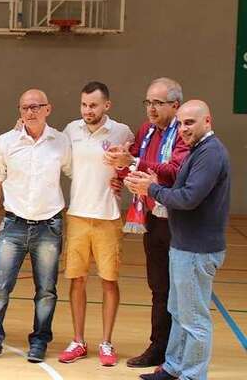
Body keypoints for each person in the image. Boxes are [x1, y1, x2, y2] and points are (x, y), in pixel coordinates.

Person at [124, 100, 229, 380]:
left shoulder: (211, 153)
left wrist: (152, 188)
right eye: (181, 123)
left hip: (197, 249)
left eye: (190, 122)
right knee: (178, 311)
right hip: (183, 245)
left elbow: (188, 198)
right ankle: (172, 368)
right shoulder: (196, 151)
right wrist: (150, 181)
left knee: (194, 318)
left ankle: (192, 375)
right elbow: (178, 186)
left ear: (208, 121)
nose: (183, 129)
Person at [0, 89, 71, 363]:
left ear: (48, 109)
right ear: (19, 110)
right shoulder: (6, 141)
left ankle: (39, 341)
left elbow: (76, 172)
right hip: (13, 225)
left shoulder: (61, 142)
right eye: (25, 107)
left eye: (37, 106)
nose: (31, 112)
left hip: (49, 226)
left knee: (46, 291)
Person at [104, 77, 189, 368]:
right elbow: (133, 162)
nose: (151, 109)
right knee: (159, 286)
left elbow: (174, 171)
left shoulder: (184, 133)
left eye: (158, 103)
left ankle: (180, 351)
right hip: (153, 217)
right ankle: (159, 346)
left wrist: (135, 163)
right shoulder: (147, 130)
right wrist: (119, 172)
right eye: (148, 102)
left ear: (175, 105)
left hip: (179, 220)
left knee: (180, 289)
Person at [57, 82, 134, 366]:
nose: (88, 110)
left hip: (109, 218)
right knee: (76, 280)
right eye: (84, 105)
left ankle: (106, 342)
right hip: (77, 216)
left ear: (107, 106)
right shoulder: (70, 130)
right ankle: (78, 340)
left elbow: (135, 165)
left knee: (109, 281)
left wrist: (123, 179)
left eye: (93, 105)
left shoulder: (122, 131)